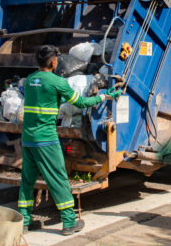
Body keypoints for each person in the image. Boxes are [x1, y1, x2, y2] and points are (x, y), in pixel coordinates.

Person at [19, 45, 121, 236]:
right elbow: (81, 103)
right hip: (46, 140)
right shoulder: (57, 82)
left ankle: (24, 220)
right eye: (57, 59)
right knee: (58, 179)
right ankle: (68, 222)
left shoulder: (30, 80)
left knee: (27, 181)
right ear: (53, 62)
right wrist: (105, 96)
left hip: (28, 139)